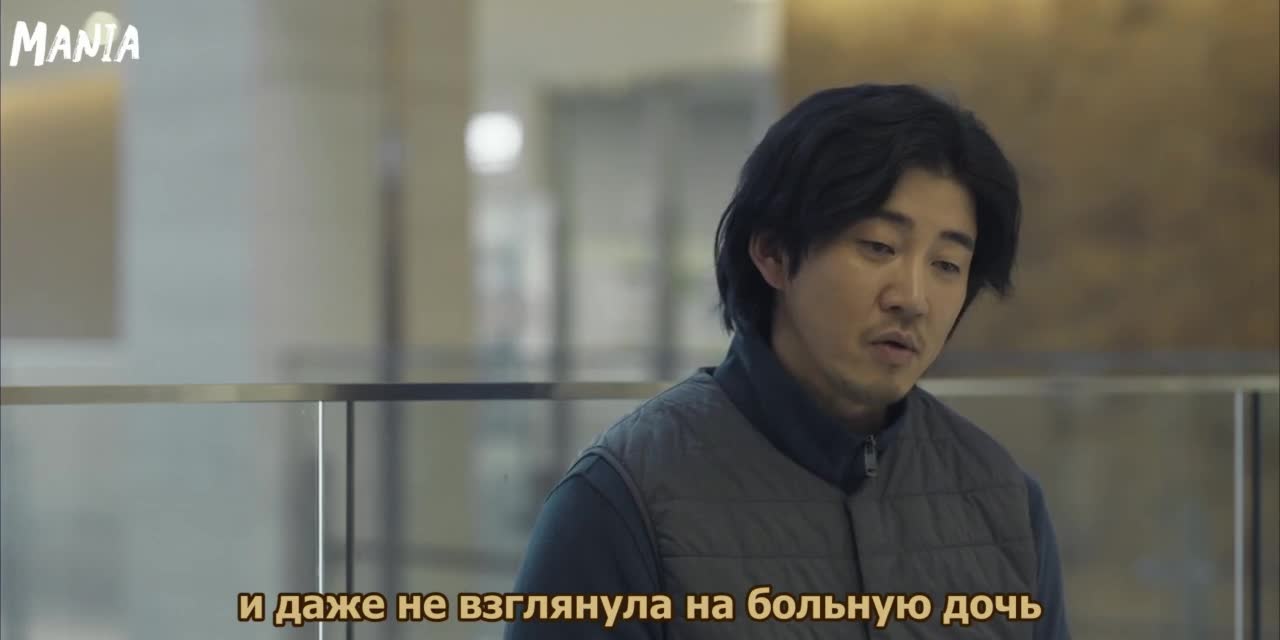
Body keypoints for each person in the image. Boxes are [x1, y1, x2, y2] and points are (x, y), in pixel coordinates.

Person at [506, 83, 1070, 639]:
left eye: (946, 264)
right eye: (878, 246)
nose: (913, 298)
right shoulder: (622, 500)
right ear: (773, 253)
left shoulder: (1004, 502)